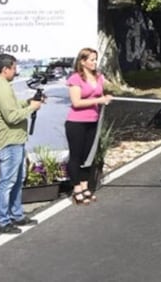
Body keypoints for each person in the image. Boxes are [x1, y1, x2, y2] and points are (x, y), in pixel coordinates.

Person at [0, 53, 44, 233]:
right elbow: (11, 116)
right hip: (8, 141)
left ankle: (16, 214)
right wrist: (31, 108)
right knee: (8, 181)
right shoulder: (1, 88)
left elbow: (10, 105)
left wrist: (27, 102)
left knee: (17, 179)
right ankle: (2, 220)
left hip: (15, 140)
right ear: (6, 69)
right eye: (14, 68)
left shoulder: (1, 85)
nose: (16, 71)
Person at [65, 47, 112, 206]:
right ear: (82, 61)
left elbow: (109, 89)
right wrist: (99, 100)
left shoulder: (98, 77)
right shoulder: (75, 78)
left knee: (88, 156)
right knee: (76, 156)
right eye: (91, 59)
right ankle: (76, 188)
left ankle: (85, 186)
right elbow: (76, 102)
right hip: (76, 123)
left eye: (95, 60)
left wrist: (109, 95)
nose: (94, 63)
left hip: (93, 121)